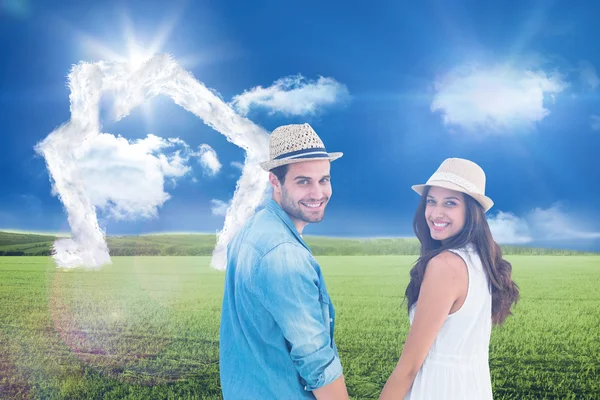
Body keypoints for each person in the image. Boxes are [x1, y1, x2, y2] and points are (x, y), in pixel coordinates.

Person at [219, 123, 350, 399]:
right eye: (303, 181)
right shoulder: (283, 254)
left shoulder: (250, 232)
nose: (318, 193)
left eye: (324, 179)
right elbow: (317, 362)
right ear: (275, 181)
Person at [379, 158, 520, 400]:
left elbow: (409, 367)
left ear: (471, 211)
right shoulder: (483, 261)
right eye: (431, 201)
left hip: (436, 389)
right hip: (472, 388)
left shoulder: (445, 266)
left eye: (450, 203)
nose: (436, 213)